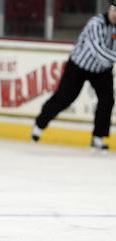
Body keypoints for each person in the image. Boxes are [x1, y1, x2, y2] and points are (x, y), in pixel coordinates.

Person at [32, 1, 116, 151]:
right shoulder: (95, 24)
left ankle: (98, 137)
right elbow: (99, 52)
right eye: (114, 10)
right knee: (64, 98)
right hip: (79, 66)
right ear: (109, 9)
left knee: (107, 99)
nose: (115, 15)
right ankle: (40, 123)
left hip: (102, 70)